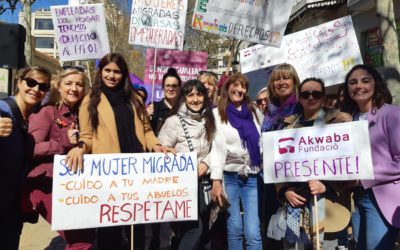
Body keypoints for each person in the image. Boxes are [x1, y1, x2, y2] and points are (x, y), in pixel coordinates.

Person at [66, 53, 173, 250]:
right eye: (108, 70)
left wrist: (156, 145)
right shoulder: (90, 101)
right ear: (101, 72)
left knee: (137, 229)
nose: (112, 75)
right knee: (110, 231)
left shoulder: (135, 99)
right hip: (110, 175)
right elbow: (87, 136)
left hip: (136, 171)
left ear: (123, 74)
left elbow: (147, 130)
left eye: (117, 71)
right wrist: (80, 148)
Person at [24, 67, 96, 249]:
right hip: (44, 184)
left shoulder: (80, 114)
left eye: (79, 84)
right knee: (80, 238)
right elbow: (30, 148)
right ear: (59, 86)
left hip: (69, 184)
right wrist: (63, 141)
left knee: (85, 234)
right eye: (69, 83)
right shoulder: (47, 112)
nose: (74, 88)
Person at [277, 78, 352, 250]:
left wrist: (327, 186)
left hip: (329, 204)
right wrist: (284, 190)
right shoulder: (287, 127)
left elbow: (350, 165)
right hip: (295, 203)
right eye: (305, 94)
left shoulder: (340, 122)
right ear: (300, 98)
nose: (311, 97)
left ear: (324, 97)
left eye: (316, 93)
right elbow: (278, 167)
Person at [342, 64, 400, 250]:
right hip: (356, 196)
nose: (359, 85)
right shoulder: (348, 119)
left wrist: (363, 177)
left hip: (382, 198)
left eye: (365, 80)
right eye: (353, 82)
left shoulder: (391, 113)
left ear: (376, 84)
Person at [157, 79, 216, 250]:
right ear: (184, 98)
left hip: (205, 183)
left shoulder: (211, 119)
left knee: (205, 235)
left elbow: (218, 149)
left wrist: (206, 163)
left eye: (199, 94)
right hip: (183, 185)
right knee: (194, 230)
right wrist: (167, 151)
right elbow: (160, 151)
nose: (195, 99)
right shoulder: (173, 122)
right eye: (190, 95)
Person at [0, 66, 52, 249]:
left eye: (43, 86)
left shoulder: (35, 117)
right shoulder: (4, 109)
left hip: (13, 204)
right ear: (19, 83)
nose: (36, 89)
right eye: (31, 83)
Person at [210, 73, 263, 250]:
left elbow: (262, 139)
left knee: (253, 231)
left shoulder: (254, 112)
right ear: (228, 88)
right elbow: (217, 149)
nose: (239, 90)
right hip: (230, 176)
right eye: (236, 85)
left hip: (252, 176)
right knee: (234, 228)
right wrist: (216, 181)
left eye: (243, 87)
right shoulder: (217, 113)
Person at [261, 63, 301, 249]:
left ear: (294, 81)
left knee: (299, 237)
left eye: (286, 78)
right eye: (277, 79)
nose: (281, 82)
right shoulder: (268, 111)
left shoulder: (303, 107)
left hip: (299, 186)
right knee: (278, 236)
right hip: (273, 184)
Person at [148, 68, 182, 135]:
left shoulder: (184, 109)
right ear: (163, 88)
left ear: (179, 88)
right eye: (168, 85)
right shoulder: (154, 107)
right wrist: (146, 117)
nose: (171, 89)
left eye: (174, 86)